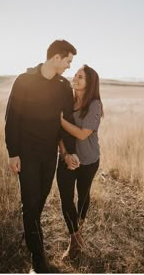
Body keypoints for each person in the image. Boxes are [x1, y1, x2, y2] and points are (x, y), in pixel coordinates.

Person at [5, 39, 77, 273]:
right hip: (26, 154)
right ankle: (38, 260)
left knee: (39, 201)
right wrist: (13, 153)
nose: (69, 66)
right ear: (56, 57)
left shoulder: (64, 86)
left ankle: (30, 236)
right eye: (67, 61)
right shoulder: (23, 81)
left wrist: (68, 151)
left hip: (49, 155)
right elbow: (12, 118)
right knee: (30, 202)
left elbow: (67, 120)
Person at [57, 64, 103, 259]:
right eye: (75, 74)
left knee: (83, 196)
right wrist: (65, 153)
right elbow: (58, 134)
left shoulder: (94, 105)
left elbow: (83, 135)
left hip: (89, 159)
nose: (75, 78)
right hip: (67, 158)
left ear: (89, 83)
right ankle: (74, 240)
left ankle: (78, 233)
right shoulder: (67, 100)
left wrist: (59, 120)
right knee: (66, 199)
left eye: (80, 77)